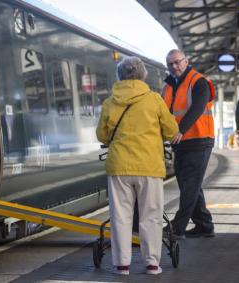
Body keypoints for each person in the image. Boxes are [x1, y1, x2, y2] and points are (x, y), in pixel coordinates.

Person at [96, 56, 178, 275]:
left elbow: (102, 135)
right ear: (143, 75)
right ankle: (152, 263)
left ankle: (122, 265)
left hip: (119, 168)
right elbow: (171, 130)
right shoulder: (154, 100)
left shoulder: (110, 101)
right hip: (149, 167)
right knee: (151, 215)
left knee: (120, 216)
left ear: (119, 76)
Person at [162, 49, 215, 239]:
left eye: (177, 62)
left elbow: (197, 108)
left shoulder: (199, 82)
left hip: (200, 139)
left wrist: (180, 130)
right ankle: (204, 225)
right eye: (170, 64)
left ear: (187, 61)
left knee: (190, 184)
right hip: (181, 142)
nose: (174, 67)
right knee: (188, 184)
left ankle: (177, 227)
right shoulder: (168, 86)